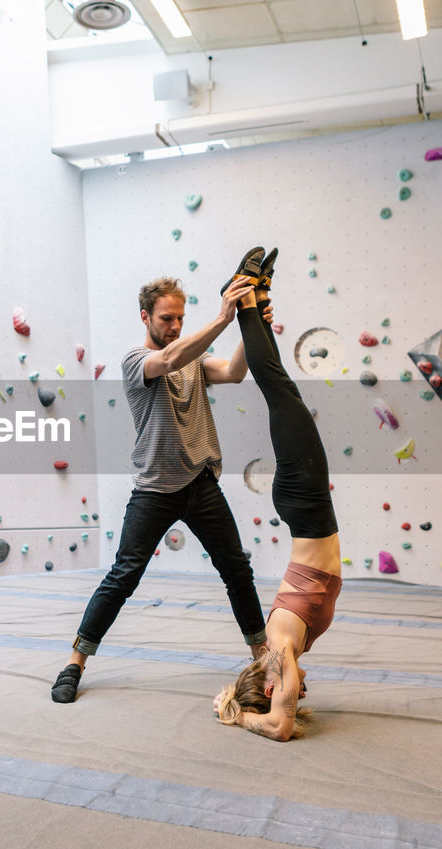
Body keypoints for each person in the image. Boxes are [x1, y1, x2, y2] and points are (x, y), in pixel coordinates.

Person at [50, 253, 277, 704]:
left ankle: (264, 658)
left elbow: (232, 372)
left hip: (200, 482)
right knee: (123, 575)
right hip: (154, 489)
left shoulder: (193, 359)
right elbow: (171, 357)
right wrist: (222, 318)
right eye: (166, 318)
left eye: (180, 318)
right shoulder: (136, 361)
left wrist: (256, 326)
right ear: (146, 317)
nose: (174, 326)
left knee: (237, 569)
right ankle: (75, 661)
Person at [213, 247, 342, 740]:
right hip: (306, 507)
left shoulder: (280, 645)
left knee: (278, 389)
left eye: (285, 690)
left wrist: (236, 712)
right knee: (282, 389)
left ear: (270, 687)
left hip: (305, 504)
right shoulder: (286, 648)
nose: (298, 692)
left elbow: (281, 727)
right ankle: (258, 298)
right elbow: (285, 711)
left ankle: (243, 296)